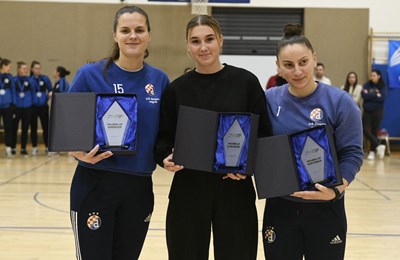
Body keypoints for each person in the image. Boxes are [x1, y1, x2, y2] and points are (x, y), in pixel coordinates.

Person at [155, 15, 271, 260]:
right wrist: (165, 158)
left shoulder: (246, 82)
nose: (203, 47)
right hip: (188, 190)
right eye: (195, 41)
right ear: (188, 46)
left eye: (209, 39)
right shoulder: (176, 89)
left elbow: (263, 135)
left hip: (235, 189)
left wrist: (248, 166)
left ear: (220, 40)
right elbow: (162, 140)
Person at [67, 6, 169, 260]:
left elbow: (164, 136)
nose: (132, 36)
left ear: (149, 35)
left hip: (139, 187)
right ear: (115, 35)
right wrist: (78, 152)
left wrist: (167, 156)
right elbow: (68, 130)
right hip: (95, 182)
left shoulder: (159, 80)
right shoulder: (89, 75)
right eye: (125, 30)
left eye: (139, 30)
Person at [263, 24, 364, 260]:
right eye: (288, 65)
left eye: (303, 62)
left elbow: (352, 154)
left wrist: (335, 190)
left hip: (326, 207)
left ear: (314, 59)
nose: (297, 71)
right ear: (278, 66)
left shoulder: (341, 102)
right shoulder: (268, 100)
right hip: (281, 207)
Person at [361, 69, 387, 160]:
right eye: (371, 75)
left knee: (375, 131)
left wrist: (370, 96)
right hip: (367, 111)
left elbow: (382, 99)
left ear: (379, 76)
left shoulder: (382, 86)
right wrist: (376, 95)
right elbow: (364, 96)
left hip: (378, 111)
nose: (372, 77)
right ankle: (378, 145)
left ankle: (372, 151)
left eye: (374, 75)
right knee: (364, 129)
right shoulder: (366, 85)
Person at [30, 60, 53, 155]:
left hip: (43, 106)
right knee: (33, 127)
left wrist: (46, 98)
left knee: (46, 127)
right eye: (36, 68)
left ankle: (48, 147)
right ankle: (34, 147)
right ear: (32, 69)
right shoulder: (29, 80)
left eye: (39, 68)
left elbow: (51, 90)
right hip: (32, 107)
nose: (38, 70)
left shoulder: (45, 78)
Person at [12, 61, 34, 155]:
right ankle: (13, 148)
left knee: (25, 129)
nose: (26, 70)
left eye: (27, 69)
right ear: (18, 69)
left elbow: (33, 93)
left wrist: (31, 104)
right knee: (14, 128)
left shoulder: (30, 80)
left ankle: (23, 148)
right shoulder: (13, 80)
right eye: (24, 68)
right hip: (17, 108)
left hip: (27, 108)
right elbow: (12, 94)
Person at [0, 58, 15, 157]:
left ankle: (8, 148)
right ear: (3, 66)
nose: (10, 68)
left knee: (8, 127)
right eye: (9, 66)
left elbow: (13, 92)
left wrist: (13, 105)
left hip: (7, 106)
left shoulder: (10, 78)